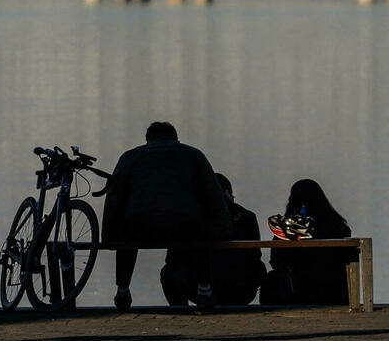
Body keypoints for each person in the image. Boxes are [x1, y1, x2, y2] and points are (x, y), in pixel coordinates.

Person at [101, 121, 231, 312]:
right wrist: (223, 231)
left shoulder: (131, 156)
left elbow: (115, 198)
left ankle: (123, 291)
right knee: (199, 232)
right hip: (183, 224)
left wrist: (108, 236)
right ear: (176, 139)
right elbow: (213, 195)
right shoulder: (194, 155)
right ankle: (204, 290)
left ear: (148, 141)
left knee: (127, 234)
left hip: (141, 225)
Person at [160, 173, 266, 306]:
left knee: (168, 272)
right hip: (240, 288)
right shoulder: (247, 217)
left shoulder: (188, 217)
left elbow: (172, 258)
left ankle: (180, 311)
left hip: (200, 287)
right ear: (227, 194)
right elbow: (255, 256)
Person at [260, 179, 353, 305]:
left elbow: (276, 259)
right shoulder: (337, 225)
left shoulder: (289, 228)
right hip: (333, 289)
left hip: (297, 290)